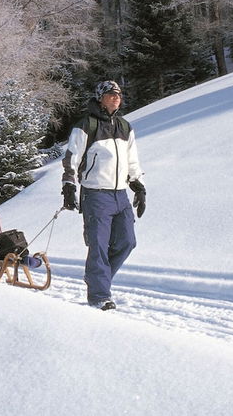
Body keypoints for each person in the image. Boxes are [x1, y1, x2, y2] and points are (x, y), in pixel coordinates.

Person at [61, 80, 146, 311]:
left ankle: (97, 278)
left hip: (120, 194)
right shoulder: (86, 125)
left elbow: (132, 161)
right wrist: (68, 185)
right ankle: (99, 295)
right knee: (98, 244)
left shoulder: (125, 126)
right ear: (100, 97)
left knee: (127, 241)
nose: (116, 96)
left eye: (118, 93)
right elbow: (72, 158)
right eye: (110, 93)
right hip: (96, 194)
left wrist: (138, 185)